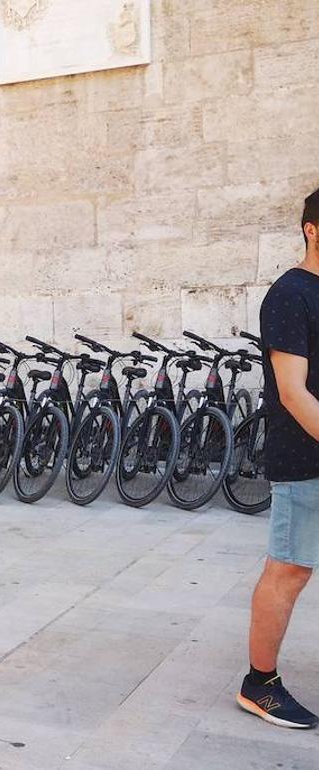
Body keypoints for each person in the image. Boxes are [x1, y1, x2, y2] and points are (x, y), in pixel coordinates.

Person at [239, 188, 319, 730]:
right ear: (312, 229)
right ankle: (259, 683)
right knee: (288, 568)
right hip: (305, 456)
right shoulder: (291, 294)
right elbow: (292, 391)